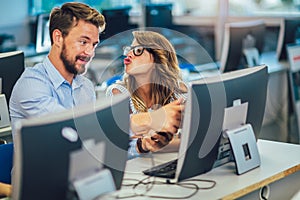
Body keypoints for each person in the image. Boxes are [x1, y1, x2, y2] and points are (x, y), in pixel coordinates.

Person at [9, 2, 106, 130]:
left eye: (94, 44)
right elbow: (67, 128)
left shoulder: (85, 87)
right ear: (58, 38)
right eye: (83, 42)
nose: (90, 52)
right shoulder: (31, 84)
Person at [106, 30, 188, 158]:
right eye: (129, 49)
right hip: (136, 167)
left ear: (158, 58)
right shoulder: (118, 92)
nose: (129, 54)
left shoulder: (180, 90)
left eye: (137, 50)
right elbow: (125, 144)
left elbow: (192, 136)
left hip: (169, 160)